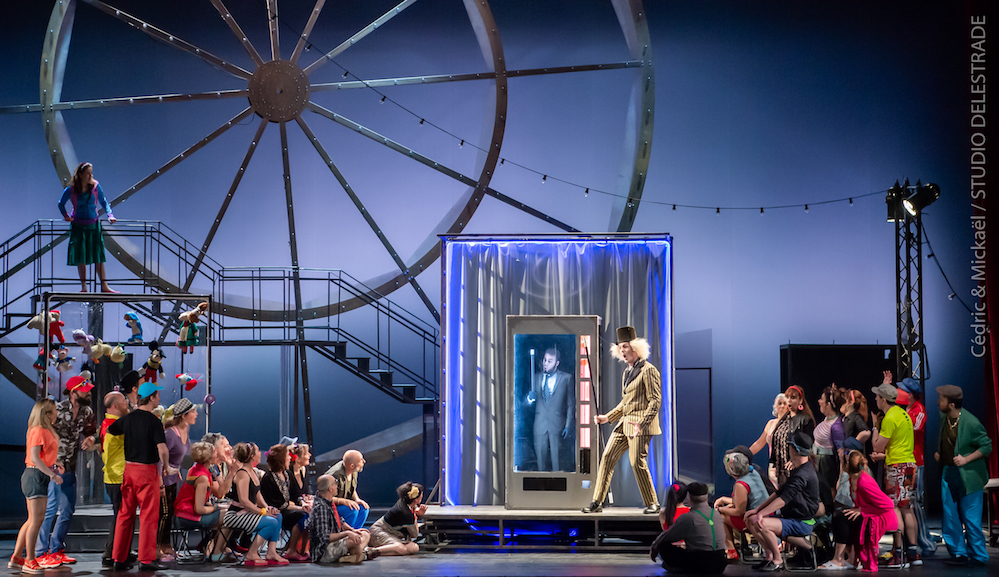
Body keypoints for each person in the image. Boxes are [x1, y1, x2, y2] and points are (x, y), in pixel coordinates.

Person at [582, 326, 662, 514]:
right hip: (624, 424)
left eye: (625, 346)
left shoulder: (648, 371)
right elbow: (625, 404)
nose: (622, 351)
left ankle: (652, 502)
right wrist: (607, 417)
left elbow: (655, 400)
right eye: (620, 347)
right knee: (607, 457)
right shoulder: (627, 372)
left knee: (636, 462)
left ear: (636, 347)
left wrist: (642, 423)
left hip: (639, 426)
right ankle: (597, 502)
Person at [107, 379, 178, 571]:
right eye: (157, 395)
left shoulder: (128, 419)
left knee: (125, 514)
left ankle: (119, 558)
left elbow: (110, 429)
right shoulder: (154, 421)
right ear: (151, 398)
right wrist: (166, 467)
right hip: (146, 472)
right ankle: (146, 560)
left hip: (129, 470)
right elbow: (162, 449)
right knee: (148, 516)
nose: (159, 398)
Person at [36, 374, 97, 567]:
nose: (88, 394)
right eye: (84, 391)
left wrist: (91, 439)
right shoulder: (57, 410)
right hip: (53, 465)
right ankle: (40, 552)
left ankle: (56, 549)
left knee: (68, 509)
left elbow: (91, 431)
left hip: (70, 466)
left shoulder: (87, 412)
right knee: (50, 508)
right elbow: (42, 433)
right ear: (73, 392)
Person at [934, 384, 992, 567]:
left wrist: (966, 459)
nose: (938, 402)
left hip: (969, 475)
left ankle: (979, 555)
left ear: (951, 404)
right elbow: (945, 439)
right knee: (950, 514)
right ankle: (958, 552)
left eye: (941, 399)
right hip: (949, 471)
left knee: (971, 517)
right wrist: (940, 453)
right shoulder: (944, 416)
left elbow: (986, 446)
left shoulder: (971, 422)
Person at [746, 431, 820, 572]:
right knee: (751, 519)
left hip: (801, 522)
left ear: (794, 450)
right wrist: (758, 510)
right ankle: (769, 556)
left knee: (762, 523)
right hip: (791, 518)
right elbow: (779, 493)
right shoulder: (798, 470)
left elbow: (784, 499)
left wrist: (762, 514)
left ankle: (777, 560)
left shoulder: (803, 474)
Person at [869, 377, 919, 566]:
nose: (875, 399)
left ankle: (898, 555)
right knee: (907, 508)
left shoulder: (889, 418)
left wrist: (875, 426)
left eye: (877, 397)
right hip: (908, 464)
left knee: (895, 507)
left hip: (897, 468)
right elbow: (899, 445)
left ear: (883, 399)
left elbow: (877, 446)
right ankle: (912, 553)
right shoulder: (903, 414)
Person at [10, 400, 62, 575]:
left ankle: (17, 557)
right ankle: (30, 559)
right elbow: (35, 457)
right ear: (47, 414)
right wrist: (52, 475)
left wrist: (54, 464)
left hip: (37, 475)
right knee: (36, 520)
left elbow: (43, 456)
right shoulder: (39, 430)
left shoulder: (42, 430)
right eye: (54, 410)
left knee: (32, 519)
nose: (57, 413)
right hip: (35, 476)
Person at [222, 442, 287, 566]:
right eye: (257, 451)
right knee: (271, 522)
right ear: (252, 456)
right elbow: (244, 501)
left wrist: (267, 508)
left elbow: (257, 495)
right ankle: (252, 553)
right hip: (235, 515)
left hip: (247, 512)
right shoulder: (243, 474)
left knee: (277, 516)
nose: (260, 453)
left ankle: (271, 552)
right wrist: (262, 512)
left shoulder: (252, 472)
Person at [57, 161, 117, 293]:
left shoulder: (95, 186)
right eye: (88, 173)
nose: (91, 176)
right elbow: (61, 204)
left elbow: (104, 202)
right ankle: (84, 286)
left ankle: (104, 286)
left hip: (93, 224)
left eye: (91, 173)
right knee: (81, 256)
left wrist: (110, 215)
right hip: (78, 225)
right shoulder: (71, 189)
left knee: (98, 256)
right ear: (81, 174)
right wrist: (66, 215)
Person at [896, 377, 936, 556]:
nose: (899, 393)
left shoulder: (919, 410)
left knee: (915, 503)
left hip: (914, 464)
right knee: (906, 504)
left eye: (902, 390)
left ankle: (926, 543)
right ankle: (911, 543)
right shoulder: (906, 409)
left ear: (910, 395)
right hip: (904, 462)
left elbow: (913, 429)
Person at [651, 482, 728, 574]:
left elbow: (666, 536)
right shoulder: (716, 514)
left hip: (702, 563)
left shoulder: (688, 518)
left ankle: (680, 568)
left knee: (664, 545)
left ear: (689, 497)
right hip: (720, 563)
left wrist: (654, 546)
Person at [843, 449, 898, 572]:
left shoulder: (864, 481)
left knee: (848, 521)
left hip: (882, 516)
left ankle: (852, 559)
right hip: (870, 512)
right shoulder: (853, 479)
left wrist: (863, 510)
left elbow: (888, 504)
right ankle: (850, 558)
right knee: (842, 517)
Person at [173, 441, 227, 559]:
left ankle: (211, 547)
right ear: (208, 457)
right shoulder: (202, 477)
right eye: (214, 452)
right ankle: (216, 552)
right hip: (188, 517)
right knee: (230, 516)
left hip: (185, 513)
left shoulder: (197, 469)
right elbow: (199, 509)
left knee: (227, 511)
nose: (217, 454)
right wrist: (216, 507)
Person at [157, 398, 196, 561]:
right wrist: (160, 483)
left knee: (170, 513)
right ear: (184, 415)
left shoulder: (184, 430)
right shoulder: (170, 434)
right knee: (164, 514)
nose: (196, 414)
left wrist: (177, 469)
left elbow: (177, 457)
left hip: (173, 478)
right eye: (193, 412)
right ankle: (157, 548)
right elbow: (159, 458)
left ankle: (166, 545)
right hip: (163, 479)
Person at [99, 391, 133, 568]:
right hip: (118, 477)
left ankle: (121, 551)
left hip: (116, 476)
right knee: (121, 517)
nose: (127, 404)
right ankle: (111, 553)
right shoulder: (114, 426)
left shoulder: (108, 424)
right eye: (124, 402)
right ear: (115, 406)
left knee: (122, 516)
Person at [715, 450, 769, 561]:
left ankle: (731, 551)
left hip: (755, 520)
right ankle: (739, 547)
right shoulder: (753, 472)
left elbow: (739, 511)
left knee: (718, 516)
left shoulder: (740, 484)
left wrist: (720, 509)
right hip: (765, 513)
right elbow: (745, 501)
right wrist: (723, 499)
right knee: (726, 510)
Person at [527, 346, 574, 471]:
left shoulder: (566, 378)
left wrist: (568, 425)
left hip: (557, 425)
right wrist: (529, 399)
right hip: (540, 425)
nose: (545, 363)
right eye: (544, 360)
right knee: (540, 465)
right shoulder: (536, 377)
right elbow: (525, 403)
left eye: (549, 361)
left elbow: (570, 404)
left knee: (557, 464)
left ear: (557, 363)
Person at [260, 444, 310, 561]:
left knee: (309, 514)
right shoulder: (269, 478)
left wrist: (303, 503)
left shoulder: (287, 474)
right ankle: (291, 550)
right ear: (281, 459)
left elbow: (296, 494)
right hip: (277, 511)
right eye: (287, 455)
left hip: (288, 509)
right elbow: (278, 504)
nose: (290, 458)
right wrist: (300, 508)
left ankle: (303, 550)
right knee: (302, 515)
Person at [308, 474, 373, 564]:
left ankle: (353, 555)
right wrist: (346, 533)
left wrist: (353, 530)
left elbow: (340, 521)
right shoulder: (321, 507)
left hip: (336, 543)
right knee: (353, 540)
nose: (337, 486)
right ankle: (356, 554)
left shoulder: (328, 502)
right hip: (324, 551)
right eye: (335, 483)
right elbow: (325, 537)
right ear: (330, 489)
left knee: (365, 534)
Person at [769, 385, 815, 486]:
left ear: (800, 400)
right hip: (781, 468)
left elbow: (808, 446)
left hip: (795, 467)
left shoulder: (805, 419)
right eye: (787, 397)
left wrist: (796, 460)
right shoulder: (784, 419)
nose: (789, 400)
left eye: (793, 398)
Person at [368, 481, 427, 556]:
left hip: (391, 534)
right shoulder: (406, 513)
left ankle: (386, 550)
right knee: (401, 548)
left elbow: (414, 507)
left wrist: (416, 510)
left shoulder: (405, 502)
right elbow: (415, 534)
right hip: (379, 533)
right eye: (421, 494)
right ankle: (371, 551)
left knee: (414, 547)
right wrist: (415, 515)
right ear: (416, 499)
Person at [749, 393, 788, 486]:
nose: (782, 406)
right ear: (775, 406)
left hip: (787, 465)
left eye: (784, 403)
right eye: (780, 403)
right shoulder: (771, 424)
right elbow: (759, 443)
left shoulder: (792, 423)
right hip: (773, 467)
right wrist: (746, 454)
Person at [325, 449, 370, 528]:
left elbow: (351, 488)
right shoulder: (334, 476)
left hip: (343, 504)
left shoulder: (353, 470)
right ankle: (346, 533)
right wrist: (343, 501)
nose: (364, 461)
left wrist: (357, 499)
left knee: (364, 508)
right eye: (361, 460)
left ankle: (356, 531)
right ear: (352, 466)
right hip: (331, 508)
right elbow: (324, 497)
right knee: (352, 510)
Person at [814, 385, 845, 497]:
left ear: (828, 404)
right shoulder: (827, 420)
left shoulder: (836, 426)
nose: (819, 401)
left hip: (827, 465)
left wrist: (841, 478)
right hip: (818, 461)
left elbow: (841, 454)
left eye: (822, 399)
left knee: (828, 492)